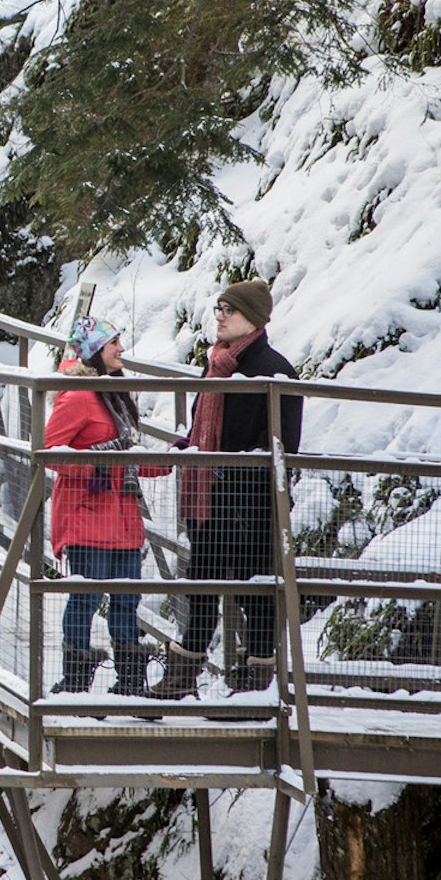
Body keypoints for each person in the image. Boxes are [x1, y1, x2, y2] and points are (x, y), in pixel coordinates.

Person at [153, 278, 304, 697]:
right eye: (218, 308)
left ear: (252, 319)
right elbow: (203, 424)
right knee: (201, 587)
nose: (219, 316)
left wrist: (227, 470)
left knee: (254, 596)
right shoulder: (218, 364)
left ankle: (256, 685)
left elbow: (284, 444)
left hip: (251, 507)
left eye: (228, 310)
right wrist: (187, 448)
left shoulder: (273, 370)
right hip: (210, 503)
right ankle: (182, 678)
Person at [46, 317, 167, 695]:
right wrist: (98, 465)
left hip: (123, 520)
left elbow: (127, 457)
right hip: (87, 518)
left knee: (126, 601)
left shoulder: (115, 394)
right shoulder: (80, 394)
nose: (121, 349)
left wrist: (174, 458)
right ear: (95, 350)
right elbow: (51, 453)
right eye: (114, 342)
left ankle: (130, 682)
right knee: (86, 598)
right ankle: (76, 681)